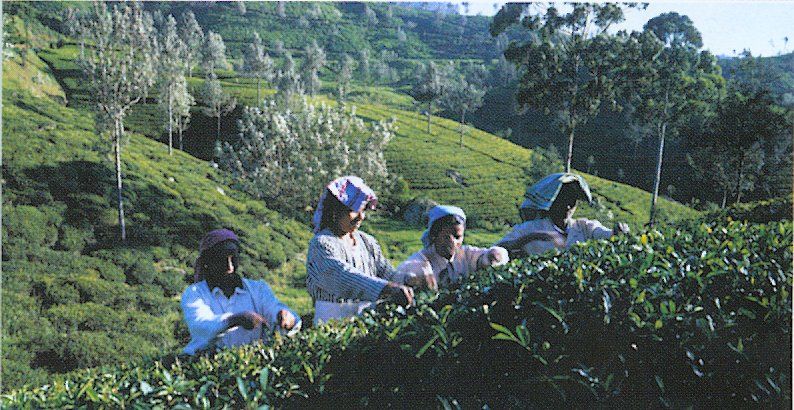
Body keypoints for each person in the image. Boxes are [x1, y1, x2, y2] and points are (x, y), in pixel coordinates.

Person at [306, 176, 414, 324]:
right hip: (331, 322)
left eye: (363, 210)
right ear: (335, 211)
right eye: (354, 210)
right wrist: (385, 288)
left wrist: (410, 280)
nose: (360, 217)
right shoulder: (321, 244)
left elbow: (387, 272)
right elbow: (342, 277)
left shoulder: (367, 242)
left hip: (365, 320)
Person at [181, 229, 300, 355]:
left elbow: (273, 308)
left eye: (233, 258)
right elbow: (201, 326)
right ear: (208, 262)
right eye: (221, 259)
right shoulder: (195, 293)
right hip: (209, 363)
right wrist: (235, 320)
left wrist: (285, 317)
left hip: (251, 361)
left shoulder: (257, 289)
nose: (230, 267)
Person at [496, 173, 630, 258]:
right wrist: (527, 239)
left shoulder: (583, 227)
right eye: (562, 201)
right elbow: (497, 249)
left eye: (572, 202)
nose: (567, 207)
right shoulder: (530, 228)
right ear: (551, 201)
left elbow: (603, 233)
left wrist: (617, 232)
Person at [395, 205, 509, 291]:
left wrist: (495, 256)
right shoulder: (420, 262)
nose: (453, 242)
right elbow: (402, 275)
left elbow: (489, 255)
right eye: (447, 236)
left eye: (458, 237)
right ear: (434, 235)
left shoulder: (465, 254)